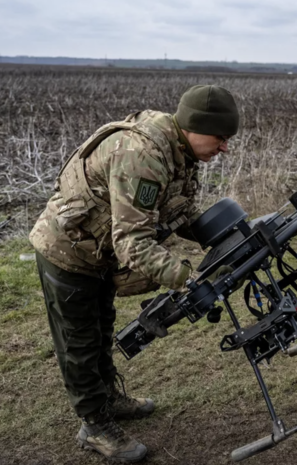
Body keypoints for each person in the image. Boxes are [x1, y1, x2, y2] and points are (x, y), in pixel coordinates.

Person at [29, 85, 239, 462]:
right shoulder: (142, 155)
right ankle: (94, 426)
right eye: (220, 137)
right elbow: (131, 243)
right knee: (79, 343)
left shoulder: (179, 150)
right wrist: (186, 278)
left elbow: (179, 210)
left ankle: (109, 398)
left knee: (102, 327)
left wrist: (225, 236)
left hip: (99, 250)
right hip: (68, 251)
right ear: (194, 126)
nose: (225, 147)